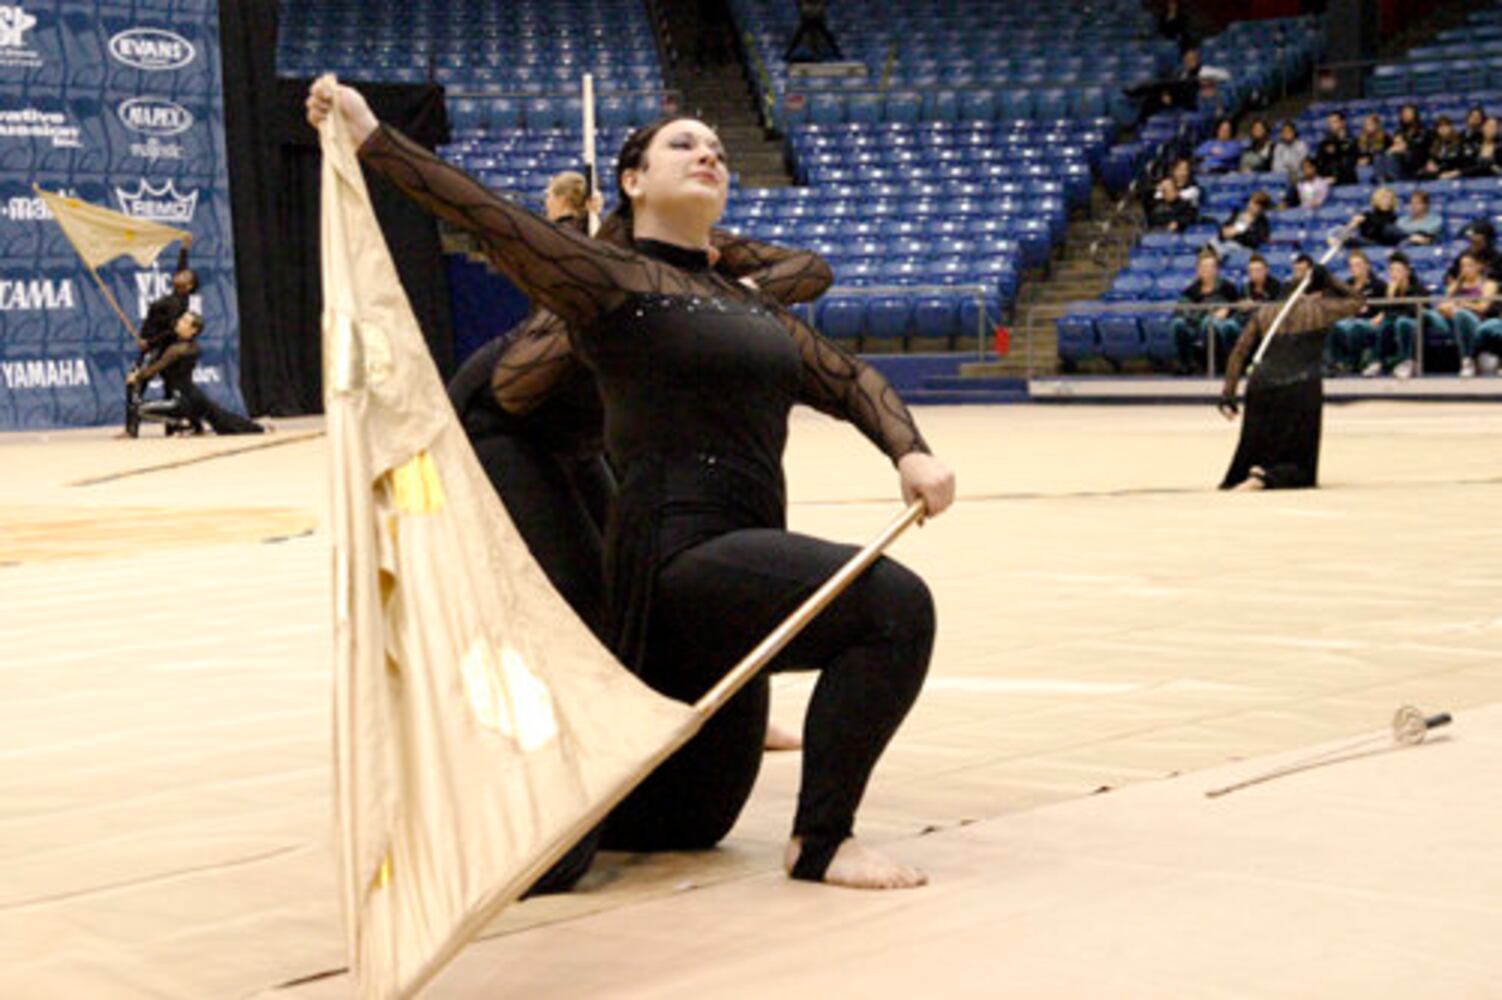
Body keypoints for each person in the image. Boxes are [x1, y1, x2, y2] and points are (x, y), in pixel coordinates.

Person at [308, 81, 956, 890]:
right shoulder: (609, 284)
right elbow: (488, 216)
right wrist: (375, 138)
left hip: (724, 545)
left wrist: (909, 452)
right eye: (683, 144)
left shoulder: (749, 307)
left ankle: (577, 794)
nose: (709, 152)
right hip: (673, 547)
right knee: (894, 608)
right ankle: (822, 841)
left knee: (693, 822)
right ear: (632, 181)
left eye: (717, 148)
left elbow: (849, 376)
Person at [447, 171, 833, 774]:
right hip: (503, 428)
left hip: (578, 438)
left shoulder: (696, 265)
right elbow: (520, 380)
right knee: (581, 589)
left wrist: (729, 286)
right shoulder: (610, 264)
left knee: (635, 578)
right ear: (634, 188)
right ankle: (570, 746)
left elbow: (810, 269)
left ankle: (675, 712)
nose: (707, 161)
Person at [1217, 264, 1365, 490]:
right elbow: (1358, 301)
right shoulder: (1318, 309)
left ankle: (1257, 469)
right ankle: (1267, 477)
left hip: (1261, 386)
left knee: (1256, 447)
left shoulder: (1265, 312)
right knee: (1300, 462)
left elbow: (1239, 352)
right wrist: (1330, 279)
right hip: (1301, 387)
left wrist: (1228, 394)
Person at [125, 313, 266, 436]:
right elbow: (166, 336)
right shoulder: (191, 346)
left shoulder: (177, 349)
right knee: (221, 418)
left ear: (193, 330)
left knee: (137, 409)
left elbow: (153, 369)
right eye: (181, 319)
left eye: (185, 321)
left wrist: (136, 376)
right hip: (194, 396)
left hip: (180, 400)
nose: (179, 322)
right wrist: (148, 343)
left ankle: (183, 424)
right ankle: (255, 428)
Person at [126, 239, 195, 430]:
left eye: (185, 276)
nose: (180, 275)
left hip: (160, 347)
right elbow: (181, 269)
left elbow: (170, 331)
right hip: (153, 345)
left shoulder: (179, 303)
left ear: (188, 287)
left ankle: (137, 429)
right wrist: (184, 250)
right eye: (181, 274)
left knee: (138, 383)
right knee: (148, 386)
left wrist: (149, 343)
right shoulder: (177, 295)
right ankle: (136, 428)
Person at [1172, 249, 1241, 374]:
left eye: (1211, 267)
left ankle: (1218, 365)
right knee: (1178, 324)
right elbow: (1182, 312)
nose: (1207, 270)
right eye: (1204, 267)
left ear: (1216, 269)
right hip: (1195, 325)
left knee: (1211, 324)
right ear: (1198, 270)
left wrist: (1228, 311)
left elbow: (1237, 308)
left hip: (1220, 327)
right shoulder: (1190, 291)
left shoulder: (1227, 288)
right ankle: (1186, 365)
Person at [1431, 250, 1494, 376]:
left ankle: (1467, 360)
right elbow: (1441, 305)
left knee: (1461, 315)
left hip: (1477, 320)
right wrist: (1457, 284)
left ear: (1478, 266)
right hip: (1453, 318)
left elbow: (1483, 307)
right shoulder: (1457, 285)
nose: (1466, 269)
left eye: (1470, 265)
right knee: (1428, 314)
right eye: (1463, 266)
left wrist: (1462, 305)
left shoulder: (1488, 284)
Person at [1330, 249, 1388, 375]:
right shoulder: (1347, 285)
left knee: (1356, 327)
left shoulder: (1378, 285)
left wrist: (1379, 317)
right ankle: (1334, 363)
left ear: (1367, 266)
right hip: (1349, 320)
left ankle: (1352, 363)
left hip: (1370, 321)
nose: (1354, 268)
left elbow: (1386, 308)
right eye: (1351, 265)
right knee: (1333, 326)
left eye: (1358, 265)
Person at [1378, 252, 1428, 378]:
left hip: (1418, 322)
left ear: (1407, 272)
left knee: (1402, 322)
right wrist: (1390, 296)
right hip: (1397, 321)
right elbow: (1386, 312)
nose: (1394, 273)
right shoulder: (1390, 288)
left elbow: (1412, 311)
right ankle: (1378, 361)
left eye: (1398, 270)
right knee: (1385, 324)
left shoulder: (1417, 287)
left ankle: (1407, 362)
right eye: (1391, 270)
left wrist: (1392, 306)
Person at [1210, 190, 1271, 257]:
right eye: (1252, 202)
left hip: (1243, 250)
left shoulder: (1262, 222)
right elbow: (1224, 231)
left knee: (1225, 248)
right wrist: (1236, 229)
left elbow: (1254, 241)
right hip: (1226, 244)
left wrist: (1238, 230)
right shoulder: (1237, 214)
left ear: (1262, 208)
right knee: (1213, 241)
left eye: (1257, 205)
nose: (1253, 206)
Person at [1384, 104, 1431, 180]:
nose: (1406, 115)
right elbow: (1396, 147)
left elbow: (1421, 146)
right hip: (1403, 161)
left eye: (1408, 113)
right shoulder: (1399, 131)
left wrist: (1406, 146)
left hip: (1420, 161)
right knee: (1388, 155)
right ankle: (1392, 179)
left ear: (1415, 115)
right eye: (1404, 113)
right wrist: (1394, 148)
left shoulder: (1423, 130)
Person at [1313, 111, 1358, 185]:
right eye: (1329, 123)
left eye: (1334, 122)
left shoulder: (1352, 141)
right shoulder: (1324, 143)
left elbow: (1349, 164)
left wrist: (1336, 178)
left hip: (1347, 182)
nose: (1331, 125)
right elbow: (1320, 163)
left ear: (1342, 123)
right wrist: (1324, 178)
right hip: (1327, 181)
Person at [1271, 120, 1307, 186]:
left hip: (1299, 177)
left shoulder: (1301, 145)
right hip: (1282, 177)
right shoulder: (1278, 147)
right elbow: (1276, 167)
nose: (1286, 133)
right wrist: (1288, 171)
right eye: (1284, 131)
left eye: (1289, 131)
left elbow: (1301, 166)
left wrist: (1289, 168)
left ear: (1294, 132)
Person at [1355, 112, 1390, 179]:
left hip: (1380, 166)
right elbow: (1358, 154)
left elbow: (1385, 154)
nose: (1368, 127)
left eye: (1370, 124)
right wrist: (1359, 160)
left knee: (1378, 158)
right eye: (1366, 125)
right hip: (1364, 167)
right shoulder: (1359, 140)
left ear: (1377, 125)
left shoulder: (1385, 138)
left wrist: (1369, 159)